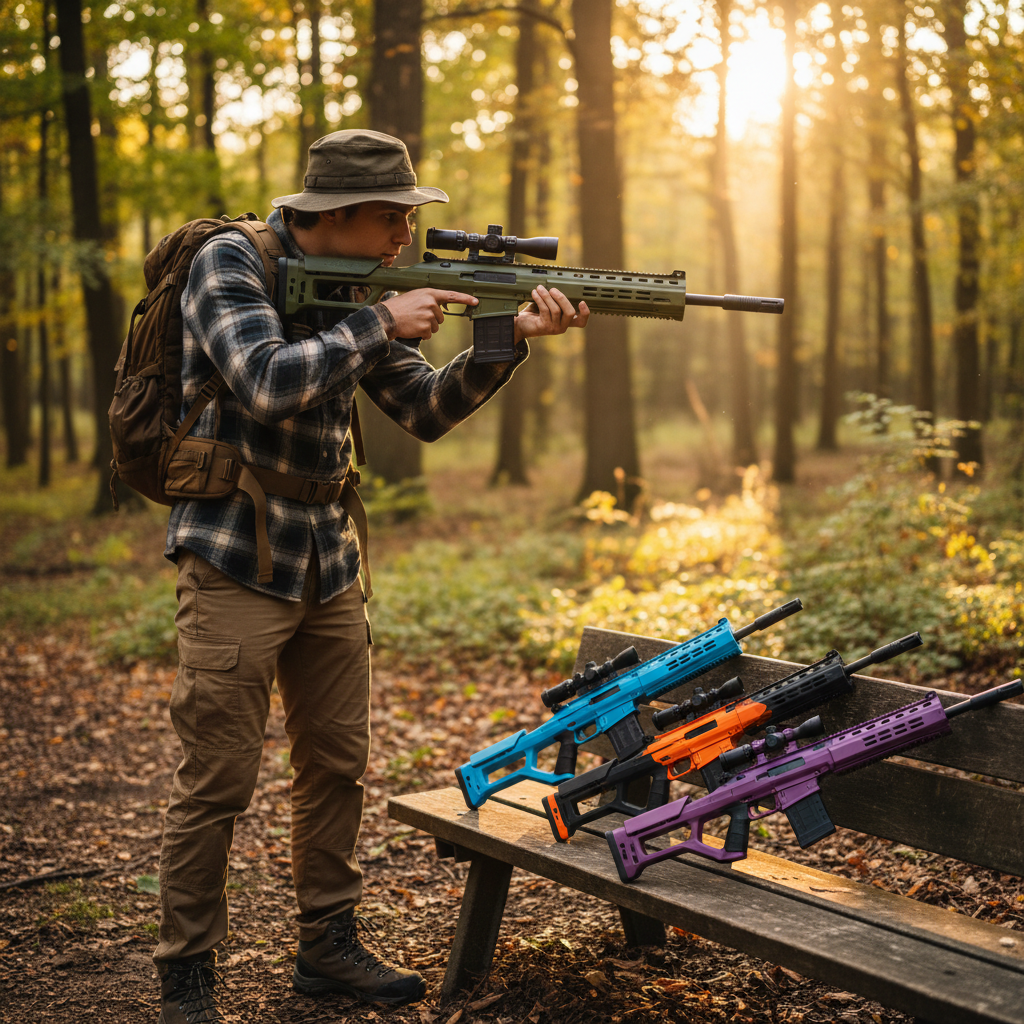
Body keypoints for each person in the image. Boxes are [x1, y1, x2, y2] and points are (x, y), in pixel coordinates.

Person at [154, 128, 589, 1023]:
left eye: (406, 218)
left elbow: (424, 409)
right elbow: (266, 381)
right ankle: (187, 970)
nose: (403, 236)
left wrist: (504, 343)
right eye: (389, 218)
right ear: (333, 215)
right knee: (218, 779)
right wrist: (379, 321)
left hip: (327, 555)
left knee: (338, 766)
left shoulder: (359, 286)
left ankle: (327, 946)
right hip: (235, 550)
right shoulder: (229, 264)